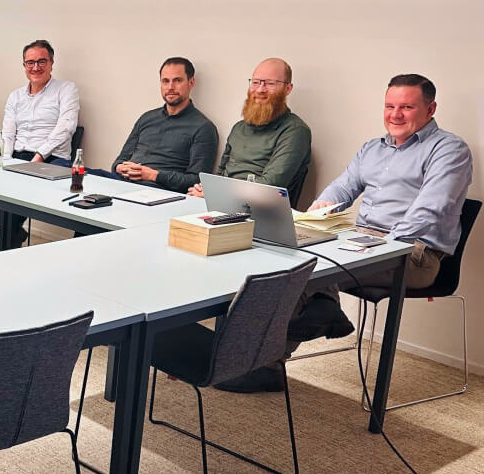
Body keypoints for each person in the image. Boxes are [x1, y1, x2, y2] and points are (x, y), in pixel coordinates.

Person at [219, 73, 474, 393]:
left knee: (300, 272)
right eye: (390, 106)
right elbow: (342, 187)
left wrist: (380, 246)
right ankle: (309, 318)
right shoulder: (373, 148)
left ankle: (270, 363)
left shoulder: (449, 150)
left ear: (430, 108)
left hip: (412, 256)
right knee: (278, 255)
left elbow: (429, 210)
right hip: (361, 242)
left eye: (407, 107)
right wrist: (315, 217)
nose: (395, 115)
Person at [0, 39, 80, 251]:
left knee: (18, 189)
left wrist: (39, 156)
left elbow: (67, 127)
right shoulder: (15, 96)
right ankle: (13, 231)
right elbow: (8, 132)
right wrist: (4, 162)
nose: (36, 67)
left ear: (52, 63)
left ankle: (4, 245)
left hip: (52, 159)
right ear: (24, 65)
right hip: (18, 156)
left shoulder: (66, 89)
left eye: (42, 61)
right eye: (30, 62)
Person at [189, 58, 311, 204]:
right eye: (255, 82)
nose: (260, 90)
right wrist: (206, 189)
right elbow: (220, 175)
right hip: (222, 205)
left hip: (261, 213)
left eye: (270, 83)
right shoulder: (239, 128)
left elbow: (269, 187)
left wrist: (215, 193)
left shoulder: (295, 131)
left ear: (288, 89)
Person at [109, 57, 218, 193]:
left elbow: (197, 181)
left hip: (156, 190)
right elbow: (119, 161)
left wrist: (154, 175)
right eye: (165, 81)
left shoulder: (203, 128)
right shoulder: (147, 118)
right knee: (82, 173)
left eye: (177, 80)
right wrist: (120, 167)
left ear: (191, 82)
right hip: (122, 183)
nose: (170, 87)